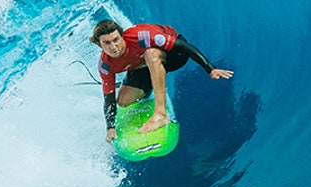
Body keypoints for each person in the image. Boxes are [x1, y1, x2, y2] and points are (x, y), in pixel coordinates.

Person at [90, 19, 234, 141]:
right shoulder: (105, 66)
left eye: (116, 40)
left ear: (122, 36)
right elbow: (108, 98)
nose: (113, 46)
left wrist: (210, 68)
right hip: (143, 66)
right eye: (107, 43)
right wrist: (110, 128)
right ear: (99, 45)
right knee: (123, 101)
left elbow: (183, 46)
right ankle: (147, 90)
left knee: (150, 53)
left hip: (174, 55)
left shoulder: (141, 37)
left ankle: (160, 114)